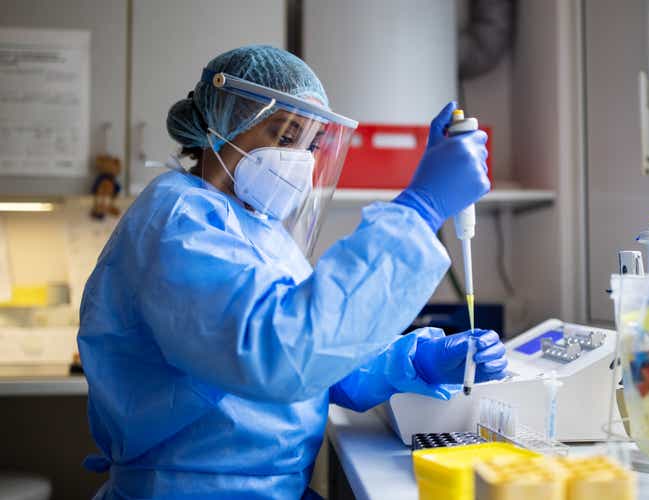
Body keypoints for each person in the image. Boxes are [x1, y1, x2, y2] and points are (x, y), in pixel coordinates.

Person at [77, 45, 507, 499]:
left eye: (312, 144)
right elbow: (280, 355)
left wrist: (415, 361)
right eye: (286, 137)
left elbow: (319, 352)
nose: (300, 159)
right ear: (222, 126)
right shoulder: (180, 223)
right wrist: (420, 209)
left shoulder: (257, 228)